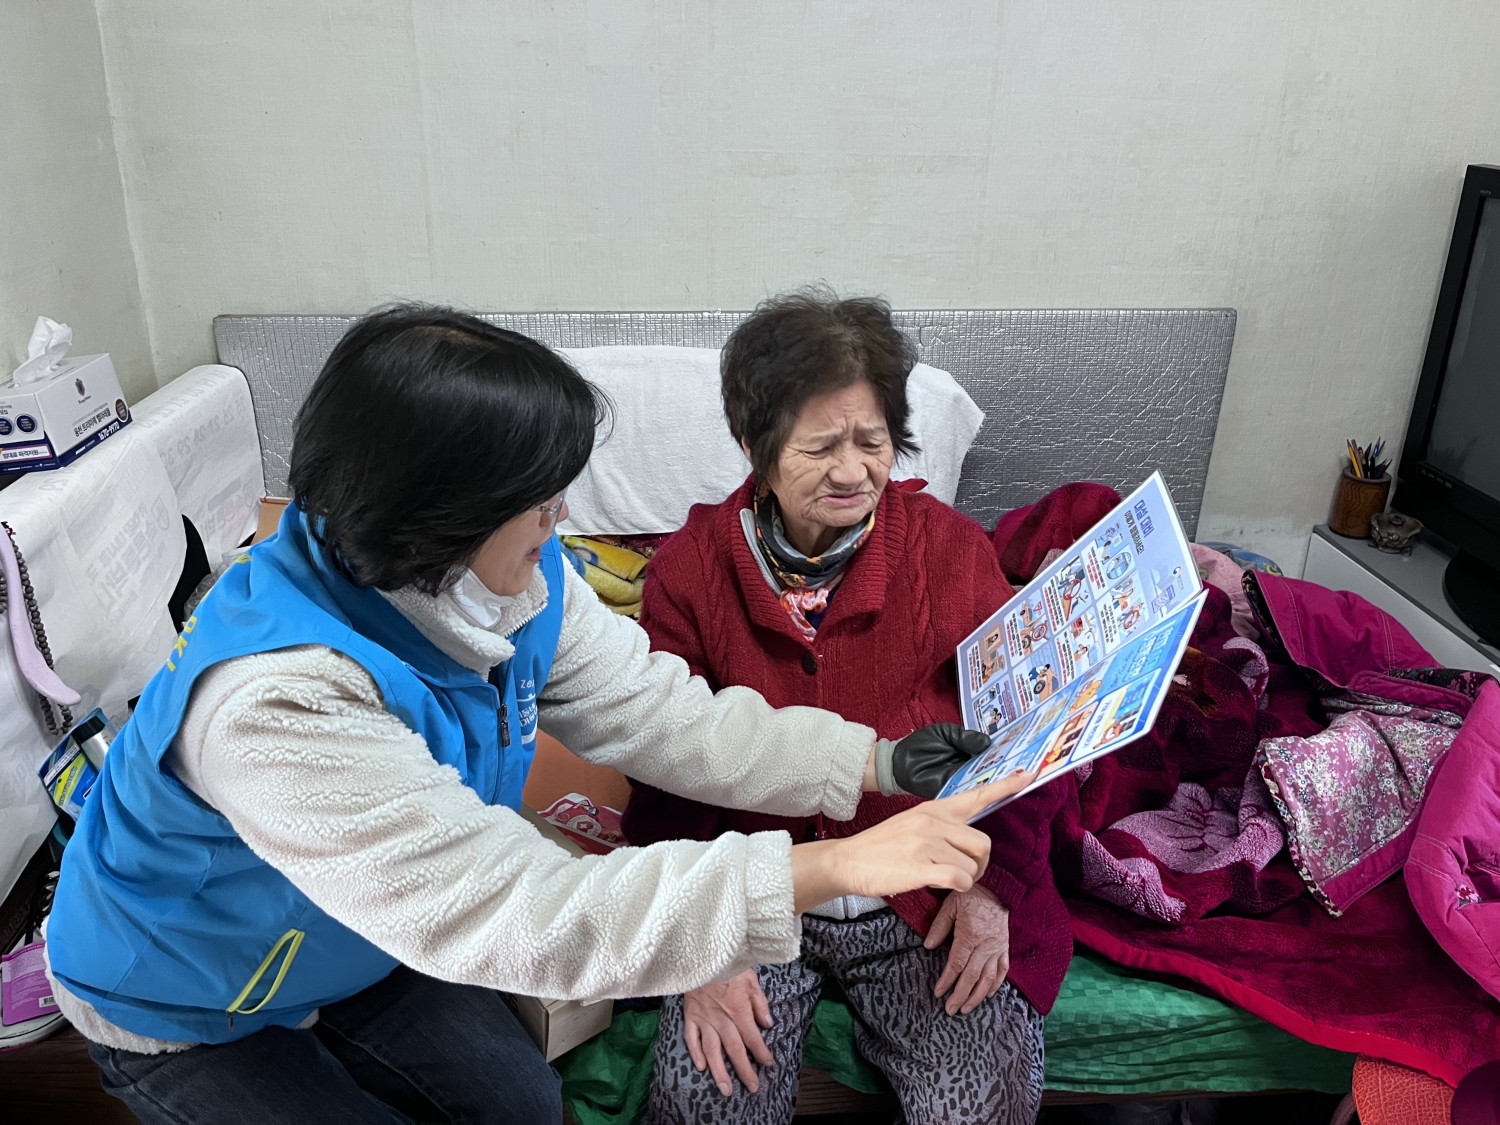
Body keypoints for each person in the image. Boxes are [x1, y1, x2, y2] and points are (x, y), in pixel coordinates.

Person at [42, 306, 1030, 1125]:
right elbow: (530, 912)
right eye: (541, 502)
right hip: (196, 986)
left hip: (361, 941)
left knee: (524, 1104)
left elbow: (668, 718)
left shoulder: (519, 575)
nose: (563, 523)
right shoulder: (277, 703)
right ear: (441, 515)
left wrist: (875, 764)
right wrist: (837, 864)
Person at [623, 292, 1072, 1125]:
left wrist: (991, 889)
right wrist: (702, 948)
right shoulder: (689, 571)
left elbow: (1026, 735)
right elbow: (662, 773)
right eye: (821, 445)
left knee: (977, 1103)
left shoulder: (951, 551)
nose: (852, 471)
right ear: (755, 444)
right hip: (759, 894)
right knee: (705, 1102)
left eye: (872, 441)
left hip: (923, 892)